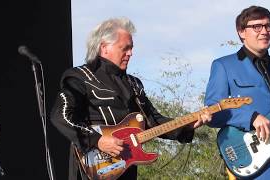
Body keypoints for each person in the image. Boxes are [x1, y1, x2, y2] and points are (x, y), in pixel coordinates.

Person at [50, 17, 212, 180]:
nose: (130, 53)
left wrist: (187, 125)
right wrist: (97, 140)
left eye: (131, 48)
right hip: (94, 168)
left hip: (126, 166)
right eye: (125, 48)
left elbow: (154, 121)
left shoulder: (133, 84)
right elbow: (61, 116)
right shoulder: (80, 77)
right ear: (104, 48)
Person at [205, 5, 270, 180]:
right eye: (257, 26)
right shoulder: (224, 66)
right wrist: (251, 117)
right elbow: (212, 112)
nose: (265, 31)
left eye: (268, 26)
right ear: (241, 32)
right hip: (256, 167)